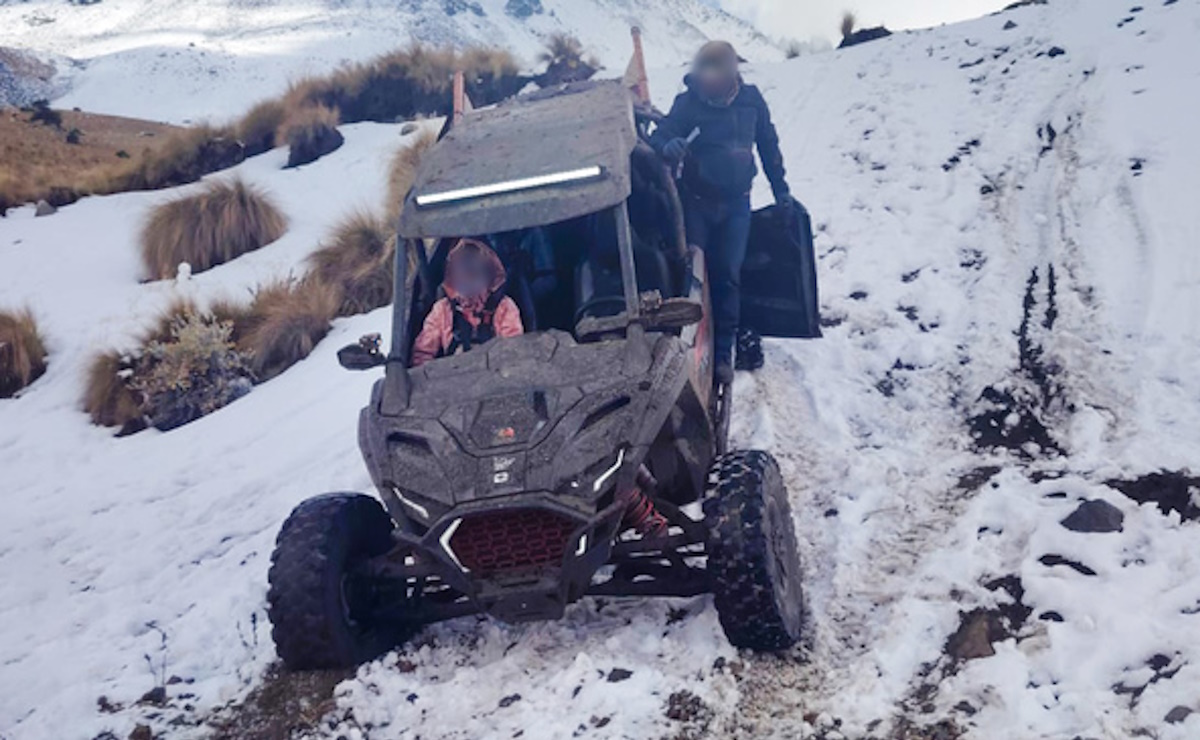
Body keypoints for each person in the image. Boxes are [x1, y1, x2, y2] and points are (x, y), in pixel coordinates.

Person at [650, 40, 792, 383]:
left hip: (737, 205)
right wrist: (668, 146)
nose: (710, 79)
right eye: (705, 71)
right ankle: (690, 354)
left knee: (728, 272)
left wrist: (781, 191)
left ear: (732, 72)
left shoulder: (751, 100)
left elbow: (768, 145)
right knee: (694, 276)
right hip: (696, 203)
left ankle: (723, 353)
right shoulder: (687, 103)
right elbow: (659, 137)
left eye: (719, 71)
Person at [411, 239, 524, 366]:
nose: (468, 285)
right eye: (462, 277)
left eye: (474, 276)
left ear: (488, 278)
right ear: (453, 278)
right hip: (450, 380)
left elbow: (514, 354)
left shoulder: (504, 308)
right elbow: (421, 356)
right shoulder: (442, 310)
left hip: (495, 379)